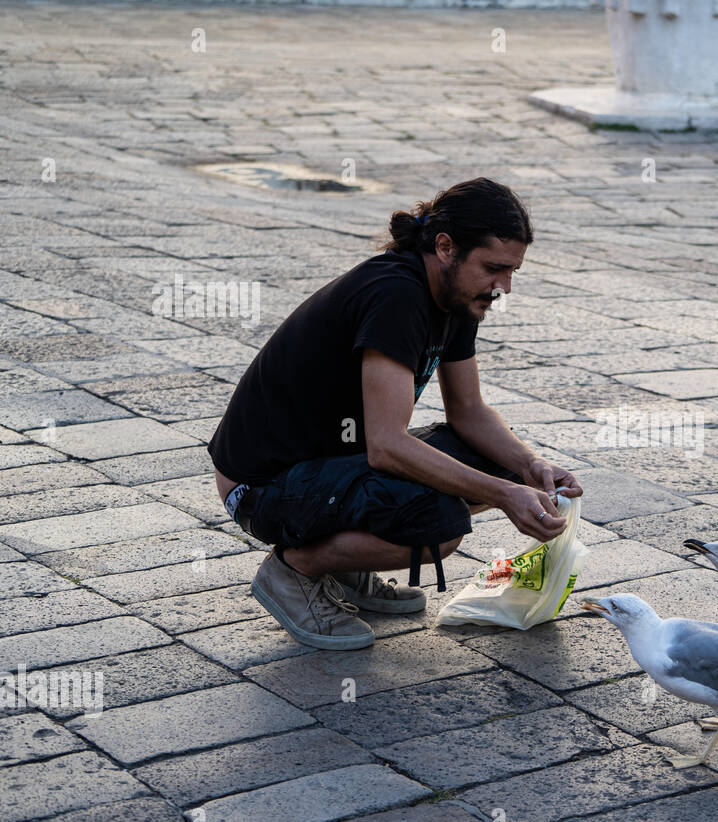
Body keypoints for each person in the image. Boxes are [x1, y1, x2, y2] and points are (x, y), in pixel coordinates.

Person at [207, 178, 583, 651]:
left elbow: (468, 411)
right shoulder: (395, 295)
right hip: (260, 486)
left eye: (512, 272)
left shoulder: (457, 298)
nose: (502, 288)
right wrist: (504, 495)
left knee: (504, 464)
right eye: (494, 268)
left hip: (328, 466)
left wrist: (531, 469)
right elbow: (387, 446)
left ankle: (344, 568)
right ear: (445, 247)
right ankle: (295, 570)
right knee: (439, 526)